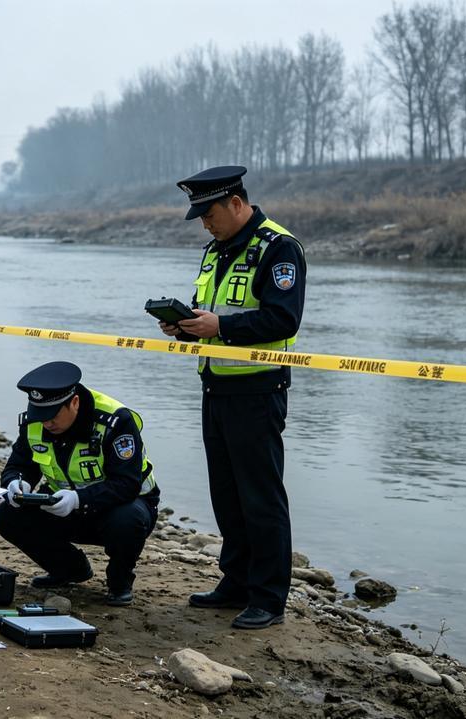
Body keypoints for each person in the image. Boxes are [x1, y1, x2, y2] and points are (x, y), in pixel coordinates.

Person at [158, 165, 306, 630]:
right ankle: (235, 581)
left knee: (260, 497)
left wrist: (219, 327)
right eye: (200, 216)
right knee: (226, 494)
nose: (205, 223)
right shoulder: (215, 251)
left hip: (258, 389)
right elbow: (211, 313)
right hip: (215, 387)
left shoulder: (279, 249)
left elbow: (283, 320)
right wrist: (184, 328)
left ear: (237, 204)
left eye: (210, 214)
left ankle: (268, 597)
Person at [0, 361, 160, 607]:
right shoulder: (35, 421)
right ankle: (69, 569)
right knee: (7, 515)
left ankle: (119, 582)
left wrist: (80, 499)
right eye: (41, 415)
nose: (46, 423)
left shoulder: (115, 421)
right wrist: (17, 483)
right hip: (61, 506)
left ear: (74, 402)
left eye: (52, 415)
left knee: (128, 520)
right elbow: (19, 465)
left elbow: (127, 483)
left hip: (117, 508)